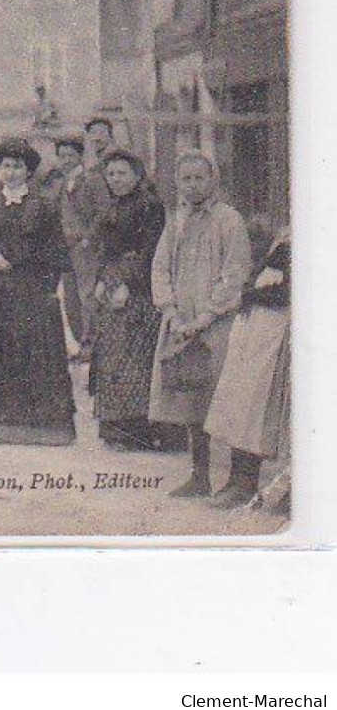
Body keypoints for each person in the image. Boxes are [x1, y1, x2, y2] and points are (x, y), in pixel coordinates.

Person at [150, 151, 253, 499]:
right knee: (190, 396)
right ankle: (200, 476)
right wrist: (172, 313)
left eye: (199, 178)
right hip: (182, 321)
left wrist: (206, 316)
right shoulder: (176, 221)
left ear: (213, 180)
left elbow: (235, 272)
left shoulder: (229, 220)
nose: (193, 185)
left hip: (217, 324)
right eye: (186, 179)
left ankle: (239, 480)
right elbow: (160, 268)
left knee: (224, 396)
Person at [0, 138, 76, 445]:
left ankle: (41, 430)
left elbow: (58, 252)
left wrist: (49, 288)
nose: (11, 173)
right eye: (6, 166)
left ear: (28, 172)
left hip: (33, 291)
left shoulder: (44, 206)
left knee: (35, 353)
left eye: (17, 167)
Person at [88, 149, 171, 450]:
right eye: (110, 174)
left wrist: (128, 284)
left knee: (134, 358)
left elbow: (150, 252)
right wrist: (101, 280)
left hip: (137, 288)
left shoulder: (150, 206)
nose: (115, 179)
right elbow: (105, 249)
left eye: (122, 173)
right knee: (112, 357)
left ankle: (138, 432)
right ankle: (116, 428)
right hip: (113, 281)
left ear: (137, 175)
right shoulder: (112, 206)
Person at [204, 228, 291, 511]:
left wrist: (251, 296)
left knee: (256, 405)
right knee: (240, 400)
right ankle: (237, 479)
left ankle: (248, 482)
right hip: (256, 328)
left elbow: (289, 290)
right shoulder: (281, 235)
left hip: (275, 330)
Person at [52, 132, 110, 355]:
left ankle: (91, 343)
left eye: (70, 155)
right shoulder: (62, 183)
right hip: (67, 249)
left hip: (85, 248)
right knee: (70, 297)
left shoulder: (92, 180)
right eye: (62, 156)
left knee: (88, 295)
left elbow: (103, 212)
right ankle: (80, 340)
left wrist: (89, 238)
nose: (66, 160)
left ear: (79, 156)